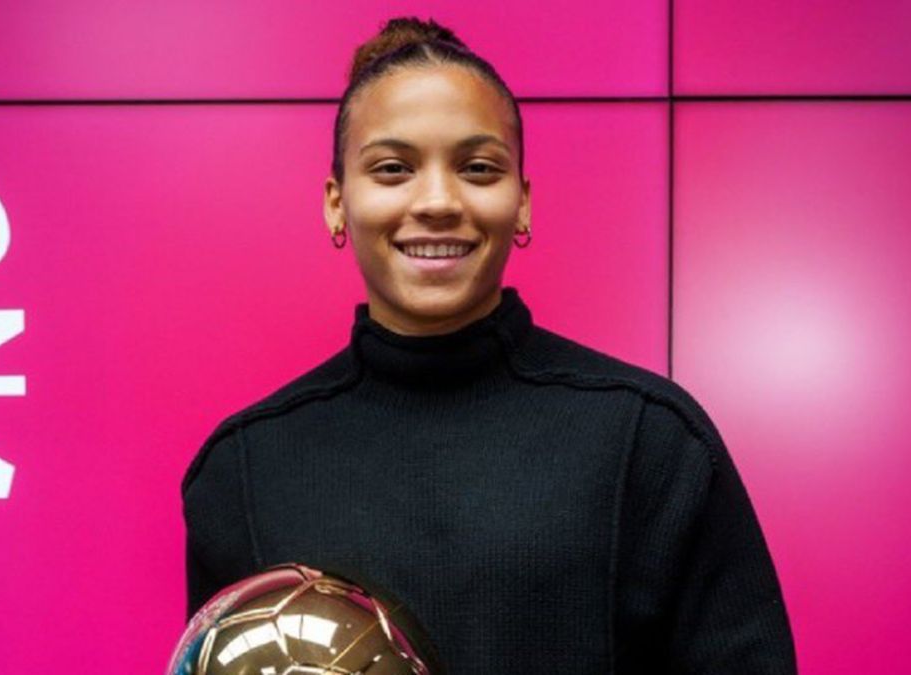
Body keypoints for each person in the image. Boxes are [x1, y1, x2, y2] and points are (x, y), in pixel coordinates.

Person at [181, 16, 797, 674]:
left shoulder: (649, 439)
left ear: (522, 201)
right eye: (393, 169)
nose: (438, 201)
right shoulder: (244, 468)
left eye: (478, 168)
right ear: (337, 202)